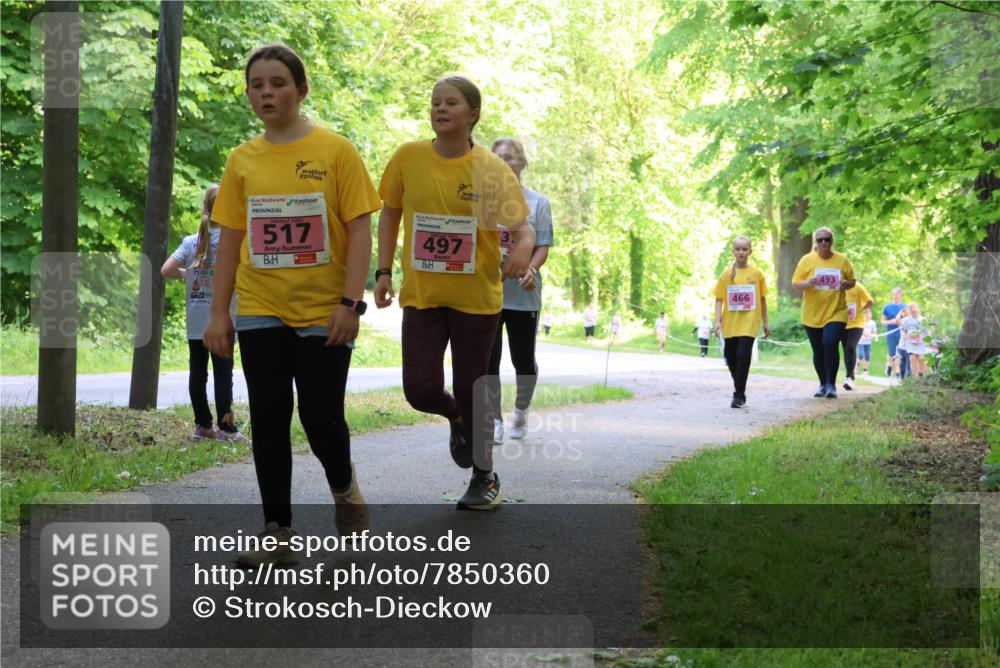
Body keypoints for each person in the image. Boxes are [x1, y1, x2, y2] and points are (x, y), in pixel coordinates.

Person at [202, 44, 381, 567]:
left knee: (322, 415)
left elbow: (360, 229)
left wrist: (352, 302)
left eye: (278, 82)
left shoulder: (336, 151)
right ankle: (276, 529)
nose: (266, 92)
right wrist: (220, 313)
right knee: (271, 415)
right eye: (256, 84)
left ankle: (345, 490)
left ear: (301, 90)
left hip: (326, 307)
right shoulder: (243, 160)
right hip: (261, 305)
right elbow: (230, 239)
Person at [374, 76, 533, 511]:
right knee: (420, 389)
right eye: (435, 103)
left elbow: (523, 228)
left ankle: (485, 476)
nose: (440, 109)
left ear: (473, 114)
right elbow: (389, 213)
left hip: (476, 301)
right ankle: (455, 418)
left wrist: (520, 249)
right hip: (423, 295)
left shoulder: (489, 169)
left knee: (470, 385)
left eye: (451, 103)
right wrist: (383, 271)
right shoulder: (408, 158)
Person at [161, 184, 246, 442]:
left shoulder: (190, 241)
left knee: (197, 373)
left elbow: (167, 269)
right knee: (223, 374)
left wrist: (188, 276)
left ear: (205, 207)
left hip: (196, 319)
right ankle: (227, 429)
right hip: (223, 318)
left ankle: (203, 426)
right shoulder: (234, 241)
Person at [487, 137, 554, 444]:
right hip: (488, 291)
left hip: (524, 294)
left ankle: (521, 411)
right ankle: (495, 420)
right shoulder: (482, 201)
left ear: (523, 163)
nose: (505, 162)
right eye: (499, 157)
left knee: (523, 360)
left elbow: (542, 245)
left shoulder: (538, 202)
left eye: (511, 157)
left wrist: (531, 269)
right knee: (488, 358)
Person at [792, 227, 856, 398]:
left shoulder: (842, 260)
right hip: (812, 314)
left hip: (836, 311)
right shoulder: (807, 260)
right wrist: (809, 282)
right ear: (815, 242)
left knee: (830, 343)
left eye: (827, 239)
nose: (824, 243)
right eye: (820, 240)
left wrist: (845, 284)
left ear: (832, 241)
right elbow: (796, 284)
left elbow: (852, 281)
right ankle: (822, 383)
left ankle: (831, 385)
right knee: (818, 350)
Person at [713, 236, 769, 407]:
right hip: (731, 323)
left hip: (749, 322)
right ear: (733, 251)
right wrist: (718, 321)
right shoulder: (727, 273)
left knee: (743, 356)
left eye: (744, 249)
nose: (741, 252)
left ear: (750, 252)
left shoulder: (756, 274)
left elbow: (762, 299)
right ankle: (739, 383)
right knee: (730, 357)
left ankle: (738, 394)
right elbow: (719, 299)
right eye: (738, 249)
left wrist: (766, 322)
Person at [841, 280, 873, 390]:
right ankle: (851, 377)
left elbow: (870, 302)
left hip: (857, 323)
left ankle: (849, 377)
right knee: (846, 350)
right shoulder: (838, 286)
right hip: (843, 322)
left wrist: (860, 309)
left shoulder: (858, 287)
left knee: (851, 347)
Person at [881, 287, 908, 379]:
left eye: (898, 293)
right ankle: (889, 366)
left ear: (901, 295)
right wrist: (890, 322)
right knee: (891, 353)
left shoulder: (905, 307)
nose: (896, 295)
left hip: (902, 334)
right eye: (894, 294)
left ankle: (897, 372)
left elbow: (908, 320)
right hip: (891, 333)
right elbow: (883, 321)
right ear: (892, 295)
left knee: (899, 353)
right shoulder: (887, 307)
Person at [900, 303, 932, 377]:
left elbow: (928, 332)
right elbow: (903, 331)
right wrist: (906, 337)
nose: (913, 310)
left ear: (918, 308)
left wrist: (927, 341)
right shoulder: (907, 320)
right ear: (909, 311)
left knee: (921, 358)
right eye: (910, 308)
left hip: (921, 343)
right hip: (911, 343)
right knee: (912, 358)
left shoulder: (923, 320)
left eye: (914, 307)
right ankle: (915, 378)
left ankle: (922, 375)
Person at [857, 308, 877, 377]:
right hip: (860, 342)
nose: (868, 316)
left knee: (867, 356)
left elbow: (874, 332)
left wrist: (873, 336)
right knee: (860, 355)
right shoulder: (861, 322)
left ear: (871, 315)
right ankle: (857, 368)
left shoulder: (873, 323)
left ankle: (865, 370)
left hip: (868, 342)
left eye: (869, 314)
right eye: (866, 314)